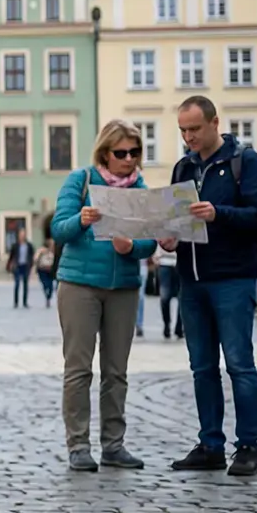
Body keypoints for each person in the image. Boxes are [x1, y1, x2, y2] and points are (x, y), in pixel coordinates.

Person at [166, 94, 257, 477]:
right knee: (201, 367)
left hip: (232, 277)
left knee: (239, 365)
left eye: (194, 129)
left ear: (215, 124)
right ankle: (210, 444)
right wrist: (168, 237)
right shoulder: (183, 168)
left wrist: (219, 214)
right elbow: (177, 220)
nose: (188, 137)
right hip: (191, 280)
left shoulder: (244, 162)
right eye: (183, 130)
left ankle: (247, 447)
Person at [50, 120, 155, 472]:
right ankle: (78, 445)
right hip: (79, 285)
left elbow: (149, 241)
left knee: (116, 371)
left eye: (135, 153)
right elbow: (58, 228)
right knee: (78, 369)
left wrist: (132, 246)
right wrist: (80, 220)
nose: (129, 159)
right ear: (105, 153)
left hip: (123, 287)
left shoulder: (140, 188)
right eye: (121, 153)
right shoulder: (80, 181)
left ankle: (114, 445)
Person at [155, 245, 183, 339]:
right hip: (164, 262)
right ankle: (166, 324)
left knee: (182, 297)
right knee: (164, 297)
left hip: (180, 260)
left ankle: (179, 327)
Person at [7, 231, 34, 308]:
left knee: (25, 285)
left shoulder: (29, 245)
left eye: (23, 235)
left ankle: (25, 302)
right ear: (18, 236)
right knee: (17, 284)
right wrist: (9, 265)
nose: (22, 236)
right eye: (21, 235)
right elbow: (11, 256)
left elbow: (31, 255)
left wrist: (31, 265)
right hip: (17, 266)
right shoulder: (15, 245)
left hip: (26, 266)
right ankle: (16, 302)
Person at [34, 239, 58, 307]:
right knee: (45, 284)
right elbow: (35, 258)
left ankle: (48, 297)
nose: (52, 246)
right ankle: (46, 294)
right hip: (42, 270)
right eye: (51, 244)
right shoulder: (41, 250)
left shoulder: (54, 251)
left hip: (50, 270)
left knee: (50, 285)